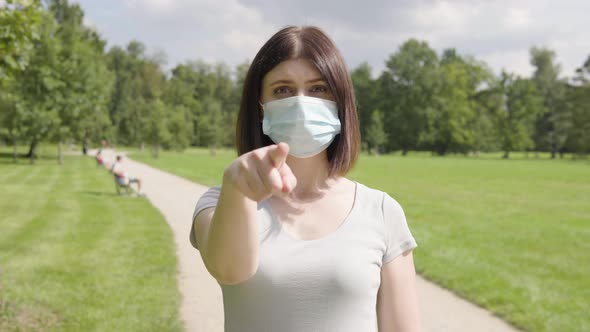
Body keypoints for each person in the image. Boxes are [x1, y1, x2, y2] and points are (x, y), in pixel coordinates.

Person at [190, 26, 420, 332]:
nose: (301, 102)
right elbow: (230, 270)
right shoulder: (220, 202)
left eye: (318, 89)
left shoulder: (380, 211)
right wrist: (237, 190)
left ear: (341, 103)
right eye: (282, 90)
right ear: (259, 107)